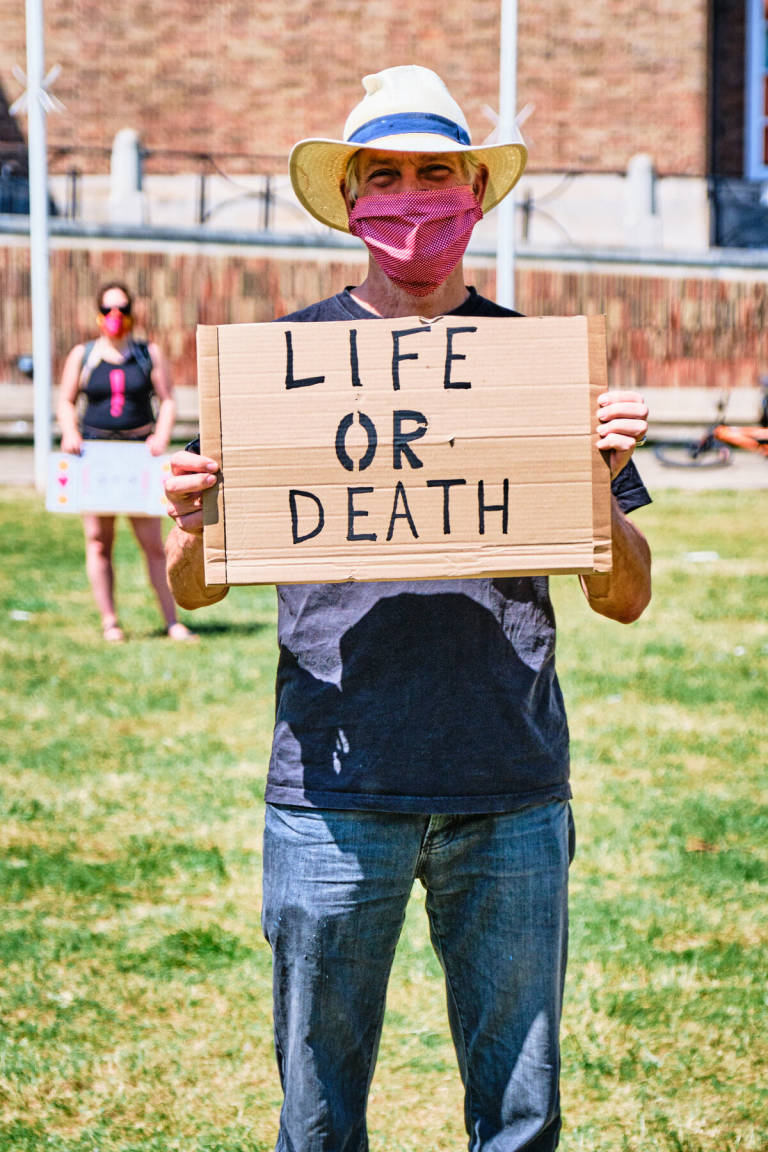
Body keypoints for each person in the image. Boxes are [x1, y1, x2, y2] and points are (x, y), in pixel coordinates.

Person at [164, 66, 651, 1152]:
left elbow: (624, 596)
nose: (412, 198)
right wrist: (192, 522)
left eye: (435, 174)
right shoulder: (279, 372)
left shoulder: (537, 373)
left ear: (475, 195)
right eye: (384, 176)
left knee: (520, 1117)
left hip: (510, 788)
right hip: (333, 794)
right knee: (317, 1114)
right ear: (350, 202)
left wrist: (602, 482)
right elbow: (195, 588)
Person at [57, 280, 196, 643]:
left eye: (122, 309)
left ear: (132, 313)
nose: (115, 316)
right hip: (96, 458)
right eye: (108, 309)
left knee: (153, 544)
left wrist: (160, 435)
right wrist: (70, 432)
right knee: (98, 541)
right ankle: (110, 622)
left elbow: (167, 399)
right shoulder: (84, 355)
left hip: (137, 459)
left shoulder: (147, 353)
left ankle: (172, 621)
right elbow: (66, 400)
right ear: (98, 314)